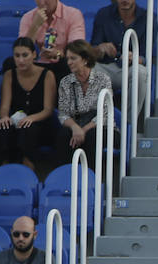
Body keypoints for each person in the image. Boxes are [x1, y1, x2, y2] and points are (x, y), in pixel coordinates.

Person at [55, 41, 113, 169]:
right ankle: (65, 177)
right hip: (77, 124)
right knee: (63, 135)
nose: (69, 62)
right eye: (68, 58)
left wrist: (83, 130)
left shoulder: (103, 79)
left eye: (73, 58)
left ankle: (94, 180)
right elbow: (63, 114)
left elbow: (105, 114)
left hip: (100, 126)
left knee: (92, 136)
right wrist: (75, 128)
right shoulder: (65, 82)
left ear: (85, 59)